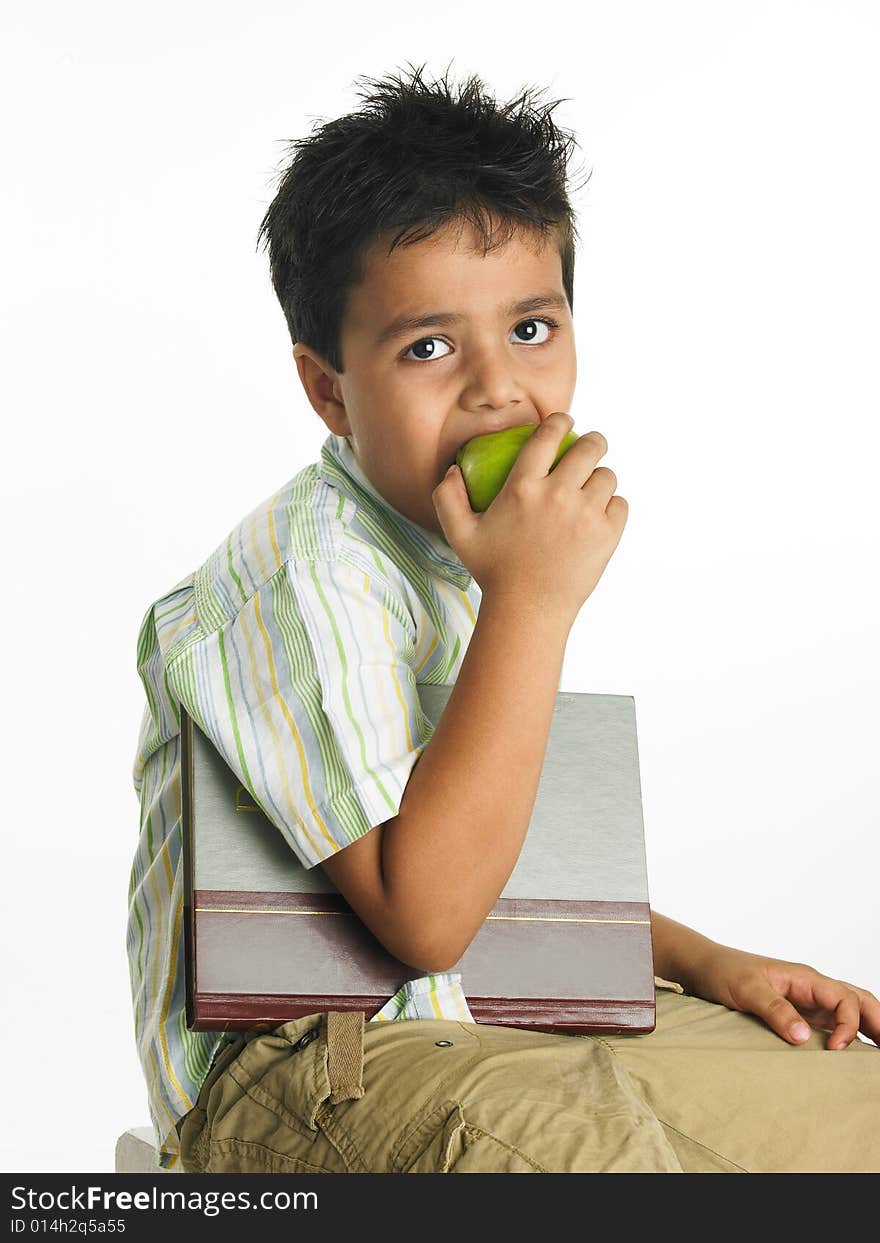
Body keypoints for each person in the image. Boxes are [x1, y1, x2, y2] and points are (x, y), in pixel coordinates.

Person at [127, 63, 880, 1175]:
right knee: (598, 1165)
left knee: (847, 1100)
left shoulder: (449, 546)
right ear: (329, 389)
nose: (496, 388)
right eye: (427, 346)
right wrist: (533, 601)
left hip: (494, 1013)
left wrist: (700, 960)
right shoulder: (300, 582)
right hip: (301, 1072)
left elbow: (489, 861)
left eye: (531, 327)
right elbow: (424, 915)